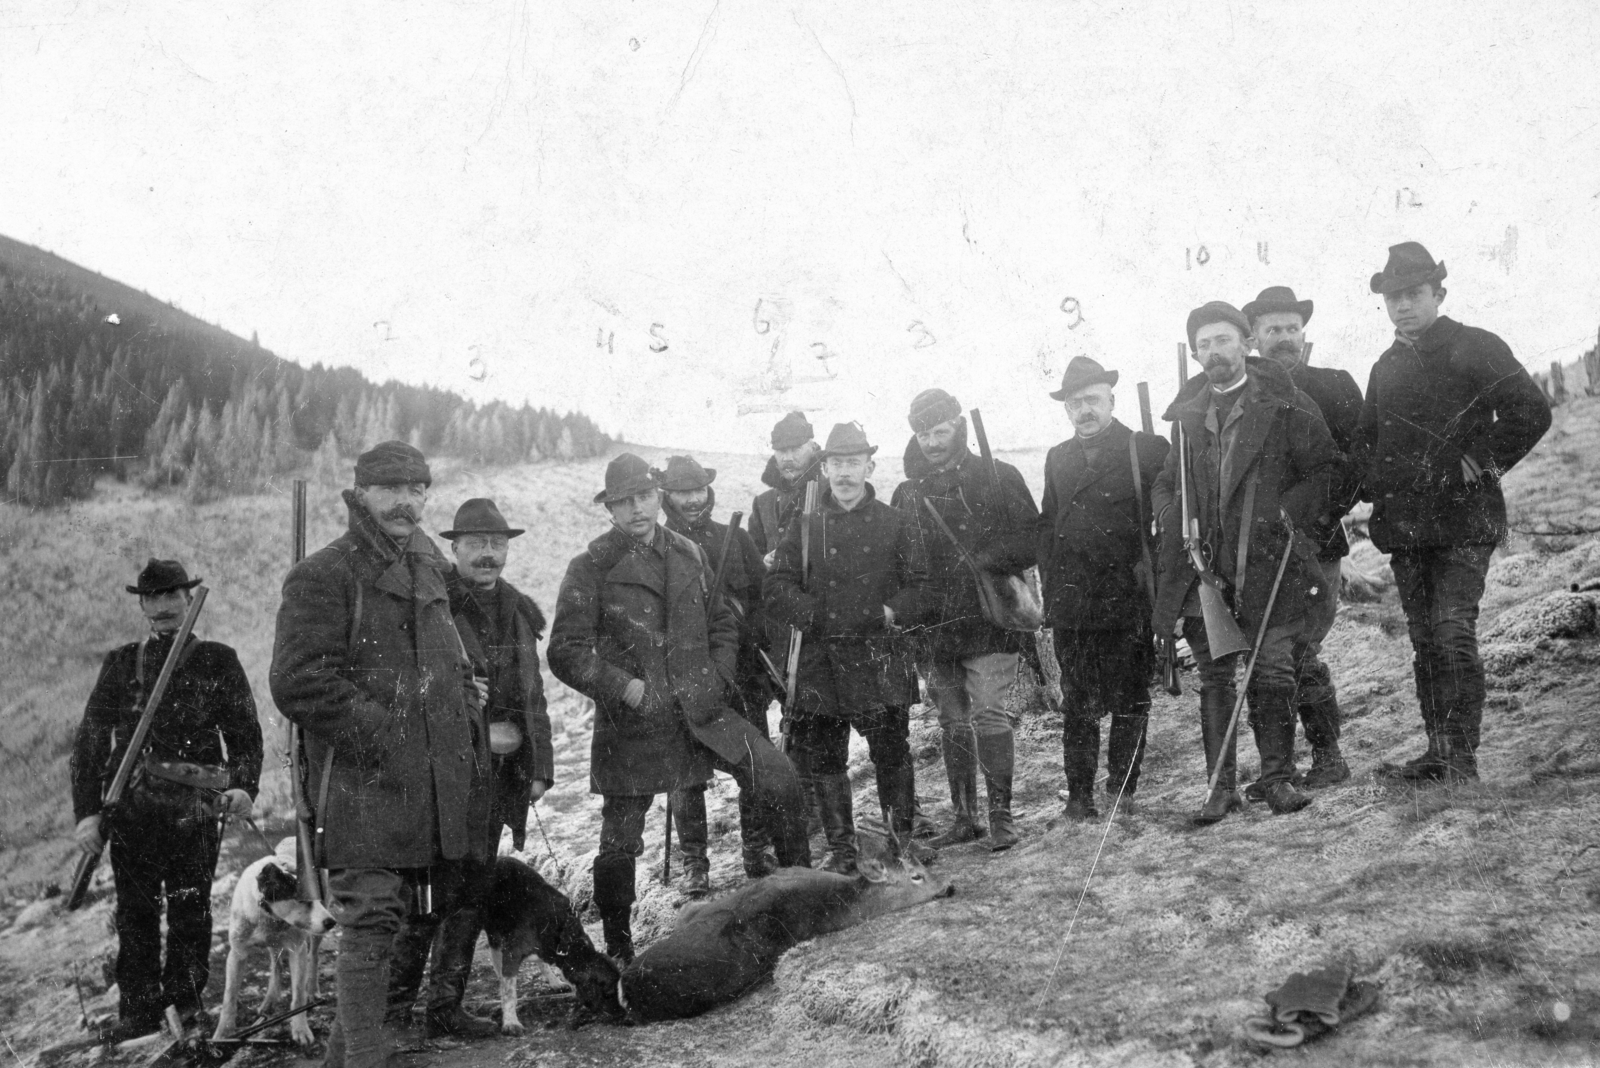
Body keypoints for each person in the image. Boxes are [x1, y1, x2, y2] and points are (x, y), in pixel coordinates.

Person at [270, 441, 487, 1068]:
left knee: (387, 924)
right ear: (360, 492)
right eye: (391, 487)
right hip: (362, 782)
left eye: (418, 489)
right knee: (370, 921)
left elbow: (443, 660)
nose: (407, 501)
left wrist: (462, 701)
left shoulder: (425, 568)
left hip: (426, 781)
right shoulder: (326, 572)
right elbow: (298, 679)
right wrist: (387, 733)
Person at [547, 454, 810, 963]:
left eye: (643, 496)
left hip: (703, 709)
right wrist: (626, 689)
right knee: (620, 841)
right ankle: (619, 948)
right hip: (636, 723)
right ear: (610, 510)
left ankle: (799, 903)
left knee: (778, 776)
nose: (637, 509)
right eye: (623, 502)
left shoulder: (688, 552)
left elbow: (722, 623)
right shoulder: (590, 567)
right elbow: (565, 652)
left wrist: (718, 673)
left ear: (657, 496)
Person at [1354, 243, 1551, 783]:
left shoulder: (1475, 346)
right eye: (1393, 298)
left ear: (1438, 293)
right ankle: (1438, 751)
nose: (1403, 307)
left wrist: (1477, 462)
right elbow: (1367, 441)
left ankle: (1461, 758)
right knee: (1424, 640)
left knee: (1450, 630)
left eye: (1414, 294)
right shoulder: (1385, 367)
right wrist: (1374, 482)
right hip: (1407, 528)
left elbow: (1531, 411)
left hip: (1466, 521)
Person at [1151, 302, 1338, 824]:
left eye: (1224, 340)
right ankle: (1221, 789)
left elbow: (1325, 469)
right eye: (1204, 345)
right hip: (1206, 571)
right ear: (1195, 354)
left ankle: (1277, 778)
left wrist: (1286, 516)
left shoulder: (1286, 402)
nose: (1215, 352)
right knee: (1214, 678)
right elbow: (1167, 480)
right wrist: (1169, 512)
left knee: (1273, 668)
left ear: (1245, 344)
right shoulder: (1187, 419)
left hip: (1269, 563)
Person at [71, 559, 262, 1043]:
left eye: (171, 596)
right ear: (141, 605)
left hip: (196, 808)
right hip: (131, 810)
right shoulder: (120, 662)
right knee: (134, 912)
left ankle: (186, 1004)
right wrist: (87, 812)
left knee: (191, 907)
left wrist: (243, 787)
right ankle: (137, 1013)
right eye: (152, 598)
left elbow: (244, 734)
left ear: (186, 599)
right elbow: (91, 741)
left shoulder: (218, 658)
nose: (162, 607)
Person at [385, 498, 555, 1040]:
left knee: (473, 894)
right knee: (428, 897)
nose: (488, 555)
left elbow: (535, 697)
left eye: (498, 544)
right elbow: (396, 684)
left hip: (500, 778)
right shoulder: (431, 607)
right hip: (445, 777)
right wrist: (454, 695)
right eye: (476, 544)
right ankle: (392, 1017)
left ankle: (445, 1010)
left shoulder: (520, 610)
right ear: (454, 549)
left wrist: (540, 768)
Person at [766, 423, 936, 873]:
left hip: (879, 658)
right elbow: (777, 585)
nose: (844, 473)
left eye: (852, 463)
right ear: (824, 468)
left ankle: (901, 844)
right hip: (821, 660)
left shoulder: (895, 522)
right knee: (825, 761)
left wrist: (887, 613)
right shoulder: (804, 526)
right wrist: (813, 614)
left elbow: (919, 588)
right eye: (836, 464)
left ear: (869, 466)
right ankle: (843, 852)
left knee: (892, 754)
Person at [890, 390, 1039, 852]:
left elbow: (1033, 540)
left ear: (959, 425)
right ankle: (965, 819)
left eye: (940, 430)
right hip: (933, 628)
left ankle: (1001, 818)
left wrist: (984, 558)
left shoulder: (999, 476)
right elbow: (897, 562)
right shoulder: (907, 492)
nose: (932, 442)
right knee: (952, 722)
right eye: (923, 433)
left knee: (990, 713)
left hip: (987, 617)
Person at [1242, 285, 1364, 790]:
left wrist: (1310, 521)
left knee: (1300, 651)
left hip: (1314, 548)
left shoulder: (1333, 386)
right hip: (1254, 555)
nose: (1284, 338)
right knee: (1263, 655)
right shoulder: (1241, 394)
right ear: (1254, 336)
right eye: (1273, 329)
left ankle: (1328, 757)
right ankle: (1280, 769)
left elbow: (1357, 467)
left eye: (1292, 328)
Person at [1037, 359, 1169, 820]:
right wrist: (1050, 595)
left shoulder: (1145, 449)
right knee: (1078, 703)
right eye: (1075, 403)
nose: (1084, 410)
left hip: (1126, 597)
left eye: (1092, 399)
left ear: (1112, 400)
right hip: (1074, 602)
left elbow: (1168, 519)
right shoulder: (1058, 457)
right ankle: (1079, 797)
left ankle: (1121, 792)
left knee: (1131, 698)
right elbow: (1049, 528)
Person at [659, 455, 781, 888]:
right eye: (681, 492)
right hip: (685, 676)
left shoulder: (735, 538)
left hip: (743, 672)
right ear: (665, 496)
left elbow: (765, 600)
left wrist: (754, 637)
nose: (692, 500)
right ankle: (696, 865)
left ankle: (756, 849)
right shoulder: (658, 546)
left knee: (754, 764)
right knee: (685, 773)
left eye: (698, 490)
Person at [749, 411, 823, 565]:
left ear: (813, 448)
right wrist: (764, 561)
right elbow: (752, 556)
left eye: (796, 449)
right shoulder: (763, 503)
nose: (788, 458)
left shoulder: (830, 495)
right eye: (782, 450)